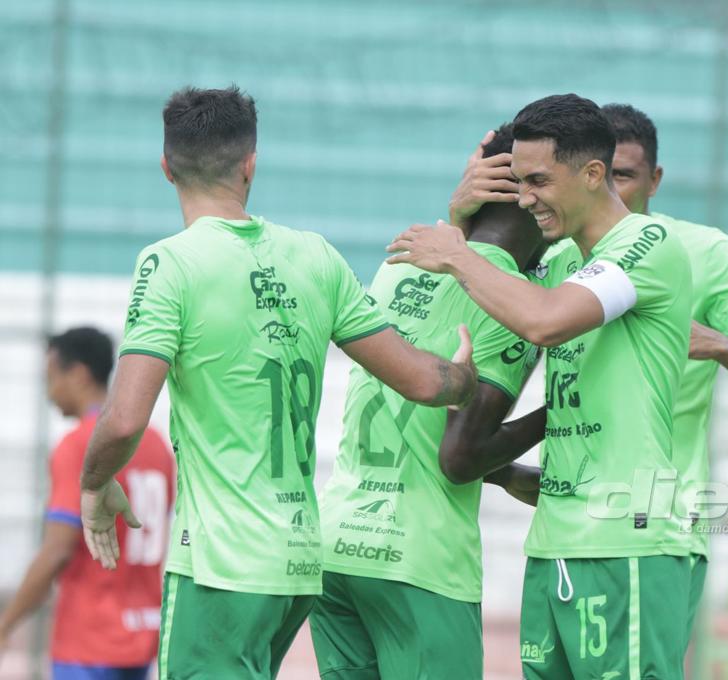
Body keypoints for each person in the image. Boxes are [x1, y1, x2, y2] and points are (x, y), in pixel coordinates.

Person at [78, 85, 478, 679]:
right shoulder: (314, 256)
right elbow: (424, 380)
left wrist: (95, 482)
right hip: (296, 562)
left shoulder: (169, 263)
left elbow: (126, 418)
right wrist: (464, 379)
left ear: (166, 168)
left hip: (219, 565)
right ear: (250, 164)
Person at [450, 102, 728, 644]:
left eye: (625, 174)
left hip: (648, 521)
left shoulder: (701, 252)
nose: (611, 186)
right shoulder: (558, 257)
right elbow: (482, 313)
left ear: (652, 179)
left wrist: (720, 346)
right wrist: (461, 217)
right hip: (563, 524)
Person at [388, 93, 695, 679]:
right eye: (518, 181)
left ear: (593, 173)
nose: (525, 198)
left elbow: (544, 321)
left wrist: (456, 254)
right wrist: (458, 215)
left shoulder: (647, 247)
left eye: (537, 181)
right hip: (554, 541)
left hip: (625, 544)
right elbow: (486, 288)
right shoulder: (556, 265)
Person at [310, 124, 548, 680]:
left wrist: (457, 215)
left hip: (340, 542)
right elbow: (460, 456)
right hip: (418, 560)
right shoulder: (514, 299)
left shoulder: (400, 262)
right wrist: (559, 409)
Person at [0, 328, 174, 680]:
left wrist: (5, 624)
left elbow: (57, 552)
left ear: (78, 374)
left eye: (51, 378)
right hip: (142, 636)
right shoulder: (156, 444)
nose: (49, 393)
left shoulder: (79, 445)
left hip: (89, 641)